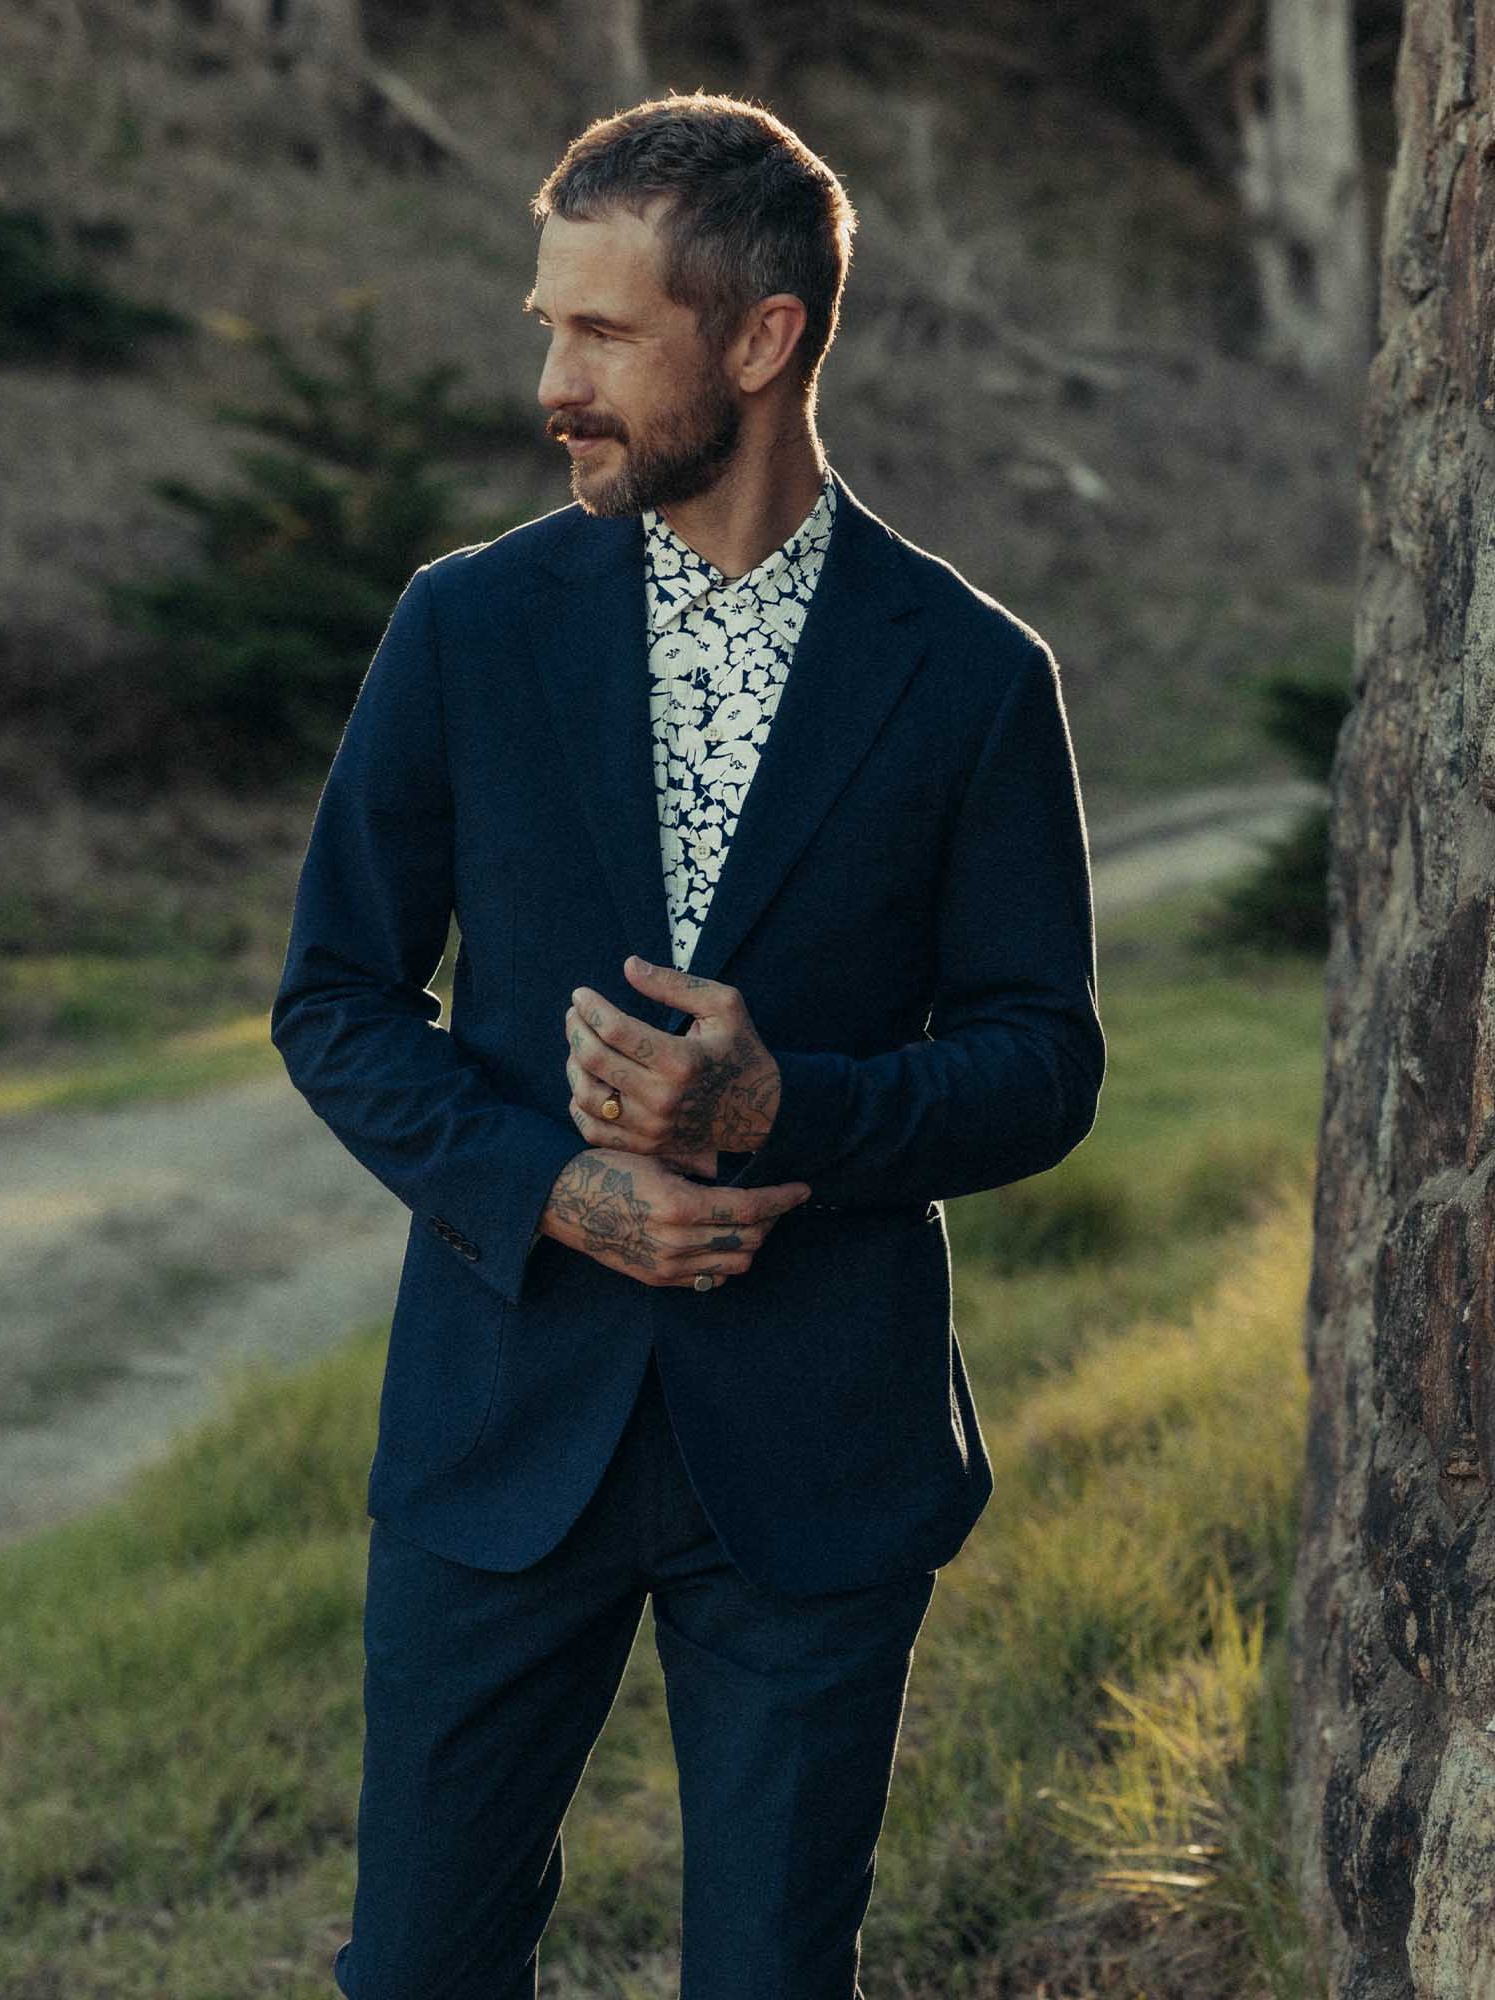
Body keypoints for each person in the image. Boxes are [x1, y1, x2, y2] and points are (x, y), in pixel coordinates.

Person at [272, 89, 1104, 2000]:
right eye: (546, 326)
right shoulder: (464, 628)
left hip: (820, 1455)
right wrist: (551, 1189)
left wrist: (784, 1105)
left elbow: (1042, 1062)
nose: (553, 385)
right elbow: (336, 998)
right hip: (501, 1426)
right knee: (417, 1972)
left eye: (603, 333)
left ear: (761, 338)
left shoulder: (974, 673)